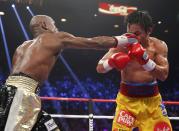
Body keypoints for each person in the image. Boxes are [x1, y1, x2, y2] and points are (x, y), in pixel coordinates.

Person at [0, 15, 136, 131]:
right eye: (54, 24)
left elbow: (16, 77)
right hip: (20, 96)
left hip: (15, 93)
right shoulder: (55, 38)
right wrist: (124, 39)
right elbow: (94, 42)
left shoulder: (21, 47)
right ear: (44, 25)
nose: (56, 28)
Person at [96, 11, 172, 131]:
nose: (133, 38)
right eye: (130, 33)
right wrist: (111, 62)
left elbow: (164, 75)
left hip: (152, 104)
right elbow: (99, 67)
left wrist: (146, 61)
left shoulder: (159, 46)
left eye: (137, 34)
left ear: (149, 30)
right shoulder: (122, 44)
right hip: (127, 103)